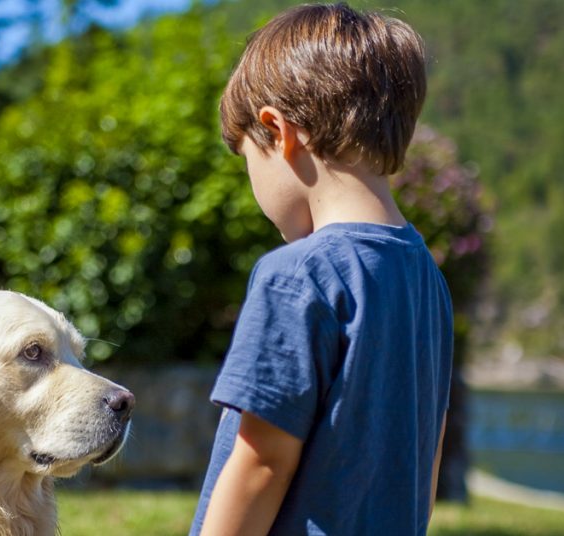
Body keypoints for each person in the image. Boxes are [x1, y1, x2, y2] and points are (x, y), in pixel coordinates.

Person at [191, 3, 452, 535]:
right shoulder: (427, 278)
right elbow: (426, 463)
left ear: (277, 131)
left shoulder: (298, 275)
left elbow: (263, 462)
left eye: (248, 161)